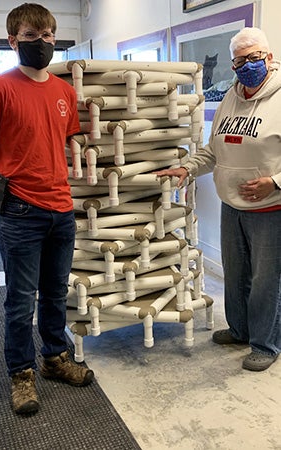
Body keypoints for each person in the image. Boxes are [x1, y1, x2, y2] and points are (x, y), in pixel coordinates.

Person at [0, 3, 94, 415]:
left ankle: (54, 358)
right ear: (13, 41)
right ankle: (21, 374)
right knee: (19, 299)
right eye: (32, 36)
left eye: (48, 35)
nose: (43, 42)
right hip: (20, 212)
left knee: (54, 292)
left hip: (61, 207)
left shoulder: (65, 92)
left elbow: (62, 144)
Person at [154, 27, 281, 372]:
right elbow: (215, 150)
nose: (247, 65)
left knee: (266, 280)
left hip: (271, 209)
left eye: (255, 58)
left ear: (269, 58)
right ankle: (240, 330)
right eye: (240, 60)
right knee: (236, 274)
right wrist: (187, 168)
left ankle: (266, 344)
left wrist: (274, 182)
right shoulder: (230, 96)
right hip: (232, 205)